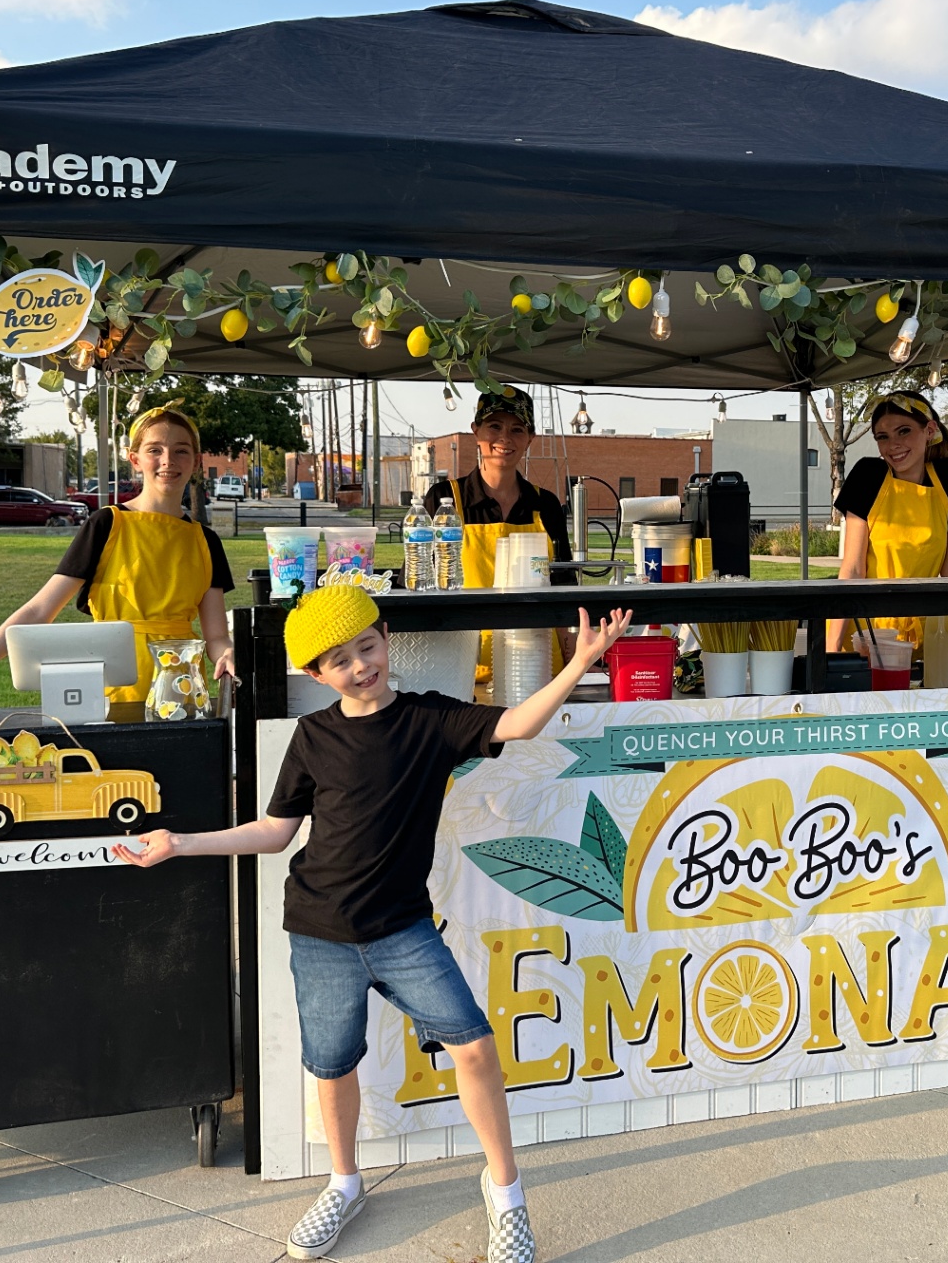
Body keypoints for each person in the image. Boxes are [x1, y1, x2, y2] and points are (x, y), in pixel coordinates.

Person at [115, 582, 633, 1263]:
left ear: (385, 638)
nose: (361, 665)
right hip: (319, 932)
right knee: (332, 1067)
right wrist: (180, 843)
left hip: (402, 933)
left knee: (474, 1048)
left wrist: (579, 662)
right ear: (314, 675)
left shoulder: (431, 721)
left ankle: (506, 1194)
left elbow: (516, 724)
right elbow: (276, 833)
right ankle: (343, 1183)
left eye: (367, 646)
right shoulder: (312, 735)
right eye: (340, 660)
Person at [0, 405, 236, 703]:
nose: (167, 460)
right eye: (154, 449)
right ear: (135, 459)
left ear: (196, 462)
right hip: (110, 689)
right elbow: (38, 611)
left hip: (181, 694)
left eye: (181, 451)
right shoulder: (107, 524)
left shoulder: (205, 541)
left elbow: (216, 636)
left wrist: (228, 653)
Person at [424, 386, 576, 671]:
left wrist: (574, 661)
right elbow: (423, 587)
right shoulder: (445, 500)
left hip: (538, 664)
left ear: (531, 439)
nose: (505, 438)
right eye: (494, 426)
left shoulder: (546, 504)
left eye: (518, 429)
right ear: (476, 430)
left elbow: (563, 588)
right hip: (464, 666)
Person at [828, 391, 948, 652]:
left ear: (930, 430)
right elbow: (853, 569)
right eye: (882, 437)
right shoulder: (868, 476)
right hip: (868, 635)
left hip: (927, 633)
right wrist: (830, 651)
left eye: (904, 431)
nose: (892, 445)